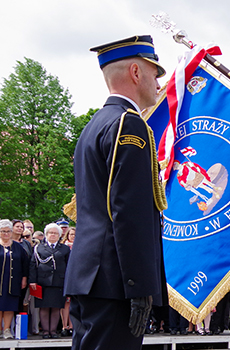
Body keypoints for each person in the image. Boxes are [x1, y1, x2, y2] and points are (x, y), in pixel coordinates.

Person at [65, 34, 168, 350]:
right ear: (136, 72)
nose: (158, 83)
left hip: (92, 276)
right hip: (116, 281)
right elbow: (128, 211)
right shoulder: (129, 124)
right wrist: (137, 285)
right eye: (155, 73)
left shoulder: (96, 124)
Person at [29, 223, 71, 339]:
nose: (53, 235)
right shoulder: (39, 248)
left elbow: (69, 266)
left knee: (56, 307)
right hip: (43, 282)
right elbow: (33, 265)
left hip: (59, 282)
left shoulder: (65, 249)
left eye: (55, 233)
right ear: (46, 234)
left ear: (59, 235)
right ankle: (46, 331)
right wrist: (32, 281)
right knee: (44, 307)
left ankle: (53, 331)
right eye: (51, 233)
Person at [0, 219, 29, 339]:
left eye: (8, 231)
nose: (6, 234)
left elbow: (25, 264)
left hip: (13, 281)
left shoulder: (18, 247)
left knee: (9, 306)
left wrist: (24, 278)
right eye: (3, 231)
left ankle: (7, 329)